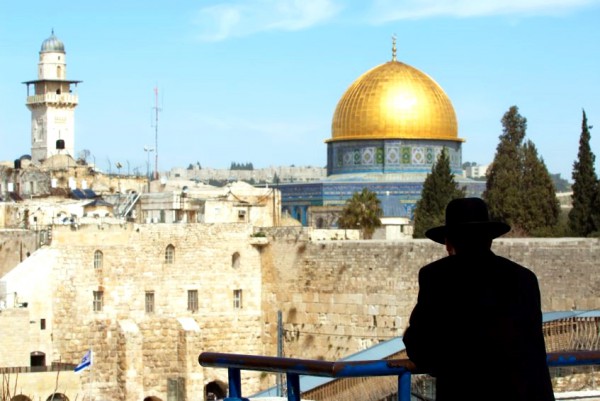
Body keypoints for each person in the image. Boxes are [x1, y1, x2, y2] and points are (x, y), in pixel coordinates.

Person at [403, 197, 555, 401]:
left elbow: (419, 344)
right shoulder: (524, 278)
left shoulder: (437, 276)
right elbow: (533, 349)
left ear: (448, 244)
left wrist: (436, 364)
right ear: (490, 239)